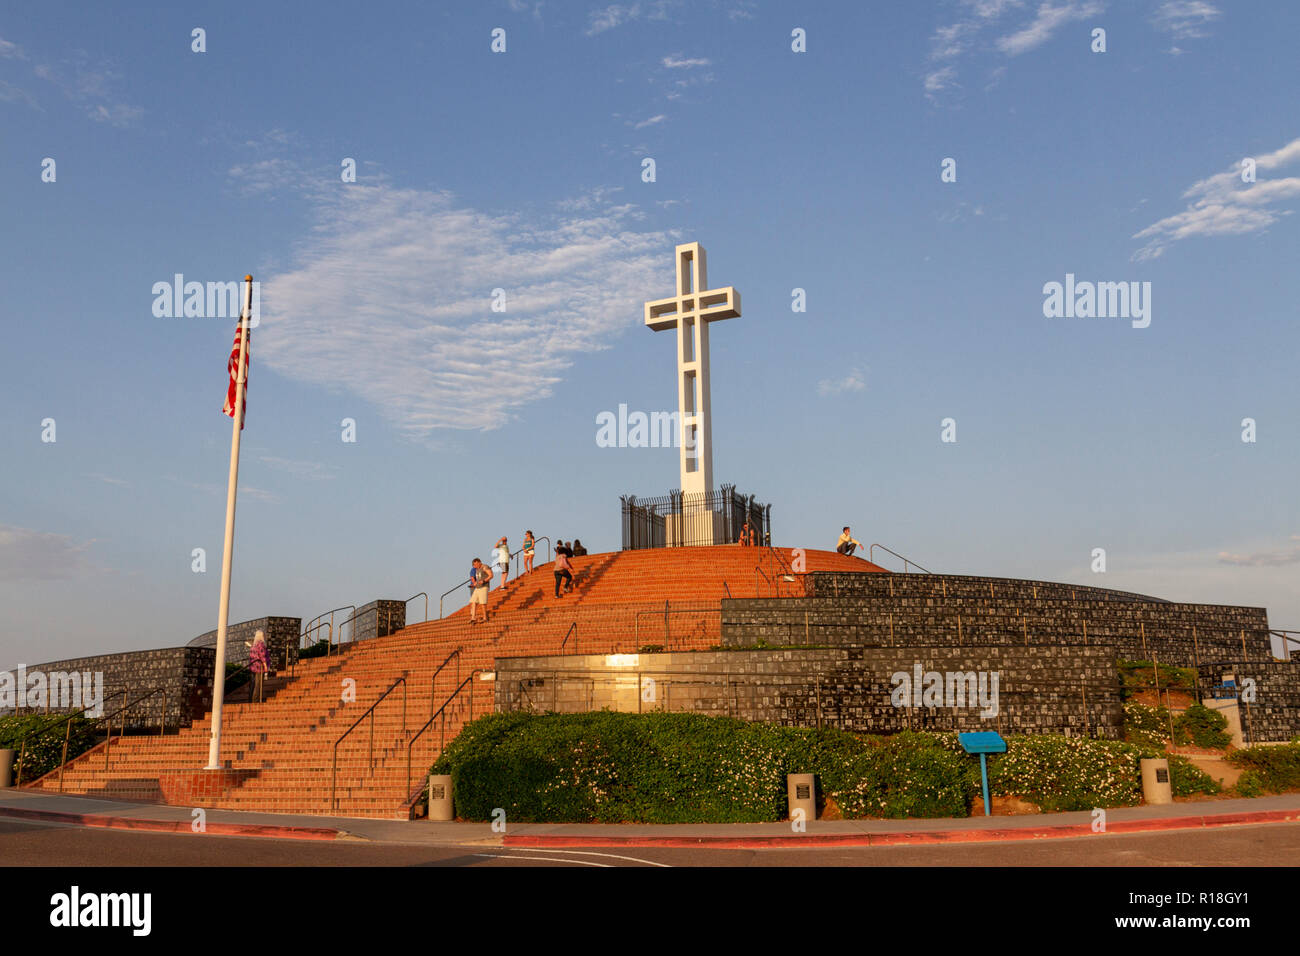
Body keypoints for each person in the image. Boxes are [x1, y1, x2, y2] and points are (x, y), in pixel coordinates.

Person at [247, 630, 270, 703]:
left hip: (253, 667)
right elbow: (262, 656)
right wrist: (265, 666)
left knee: (254, 684)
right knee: (258, 684)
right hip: (260, 667)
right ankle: (256, 700)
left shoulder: (253, 645)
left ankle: (252, 699)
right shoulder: (261, 644)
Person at [469, 557, 493, 623]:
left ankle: (485, 617)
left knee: (483, 603)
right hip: (477, 587)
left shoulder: (485, 567)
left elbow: (491, 575)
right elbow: (477, 578)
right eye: (474, 565)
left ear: (479, 562)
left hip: (484, 587)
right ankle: (473, 617)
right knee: (473, 601)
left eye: (475, 564)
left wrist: (484, 581)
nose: (475, 566)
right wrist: (475, 583)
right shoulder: (477, 569)